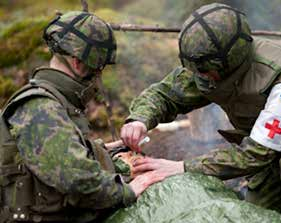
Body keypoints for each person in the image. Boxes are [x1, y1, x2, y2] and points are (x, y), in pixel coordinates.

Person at [121, 3, 281, 221]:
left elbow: (255, 154)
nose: (200, 76)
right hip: (276, 151)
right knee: (255, 215)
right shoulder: (211, 70)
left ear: (230, 58)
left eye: (205, 69)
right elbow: (165, 94)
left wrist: (183, 167)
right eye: (196, 69)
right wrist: (139, 120)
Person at [0, 11, 162, 222]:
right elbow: (77, 181)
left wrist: (102, 149)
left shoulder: (54, 101)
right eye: (97, 69)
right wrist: (128, 191)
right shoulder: (41, 107)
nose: (97, 77)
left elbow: (56, 153)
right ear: (77, 63)